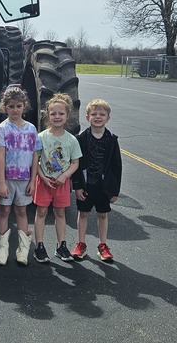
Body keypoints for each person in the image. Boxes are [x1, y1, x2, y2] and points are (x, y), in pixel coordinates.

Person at [0, 86, 41, 266]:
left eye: (18, 106)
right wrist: (1, 183)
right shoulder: (2, 128)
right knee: (4, 210)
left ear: (25, 106)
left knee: (21, 211)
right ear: (5, 107)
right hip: (7, 178)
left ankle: (23, 250)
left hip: (24, 179)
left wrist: (33, 181)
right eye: (11, 106)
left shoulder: (31, 129)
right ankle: (3, 249)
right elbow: (0, 156)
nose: (15, 110)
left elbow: (35, 155)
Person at [71, 99, 123, 263]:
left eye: (102, 114)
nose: (98, 117)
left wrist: (114, 190)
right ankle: (81, 244)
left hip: (103, 187)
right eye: (94, 114)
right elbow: (77, 165)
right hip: (87, 185)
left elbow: (117, 167)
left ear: (108, 118)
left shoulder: (112, 140)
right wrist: (77, 187)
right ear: (87, 117)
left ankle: (103, 245)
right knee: (83, 213)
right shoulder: (81, 139)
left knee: (102, 214)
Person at [33, 93, 81, 263]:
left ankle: (61, 246)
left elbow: (75, 163)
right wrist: (42, 177)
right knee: (41, 212)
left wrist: (65, 176)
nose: (57, 117)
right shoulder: (41, 137)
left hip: (62, 182)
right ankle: (39, 246)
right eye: (53, 113)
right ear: (47, 115)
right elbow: (35, 162)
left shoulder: (72, 140)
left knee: (60, 214)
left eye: (61, 114)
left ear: (67, 116)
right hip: (44, 182)